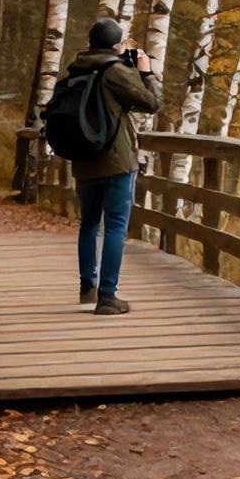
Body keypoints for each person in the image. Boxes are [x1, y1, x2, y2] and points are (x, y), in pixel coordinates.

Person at [65, 18, 161, 315]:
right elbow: (151, 102)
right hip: (116, 159)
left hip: (83, 158)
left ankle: (87, 288)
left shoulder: (76, 68)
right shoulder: (115, 70)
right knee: (116, 226)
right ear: (117, 45)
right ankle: (108, 296)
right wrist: (145, 72)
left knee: (90, 222)